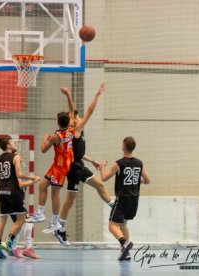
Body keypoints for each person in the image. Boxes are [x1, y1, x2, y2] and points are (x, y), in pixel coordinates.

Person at [32, 84, 105, 234]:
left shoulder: (55, 136)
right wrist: (68, 95)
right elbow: (73, 110)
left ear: (58, 122)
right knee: (42, 185)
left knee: (55, 193)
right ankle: (40, 213)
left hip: (61, 166)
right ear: (68, 121)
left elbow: (43, 150)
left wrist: (44, 139)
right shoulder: (72, 129)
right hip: (61, 163)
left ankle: (54, 222)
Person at [53, 85, 115, 245]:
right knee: (79, 195)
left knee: (90, 190)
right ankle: (59, 228)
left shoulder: (72, 132)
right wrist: (97, 94)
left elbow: (77, 152)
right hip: (75, 168)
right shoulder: (76, 128)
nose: (80, 119)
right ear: (73, 120)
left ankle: (112, 204)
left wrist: (92, 160)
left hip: (76, 165)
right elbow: (89, 111)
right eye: (77, 118)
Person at [100, 136, 150, 261]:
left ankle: (124, 243)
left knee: (112, 226)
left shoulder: (118, 163)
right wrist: (138, 179)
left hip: (123, 199)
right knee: (123, 224)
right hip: (134, 200)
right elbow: (147, 181)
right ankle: (126, 252)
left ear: (123, 146)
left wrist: (102, 167)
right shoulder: (139, 163)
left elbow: (104, 178)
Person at [0, 136, 40, 259]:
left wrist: (2, 184)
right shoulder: (15, 157)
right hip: (13, 190)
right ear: (7, 145)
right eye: (11, 141)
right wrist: (32, 178)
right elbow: (20, 174)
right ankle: (9, 242)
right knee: (21, 219)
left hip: (2, 191)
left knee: (2, 219)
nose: (13, 143)